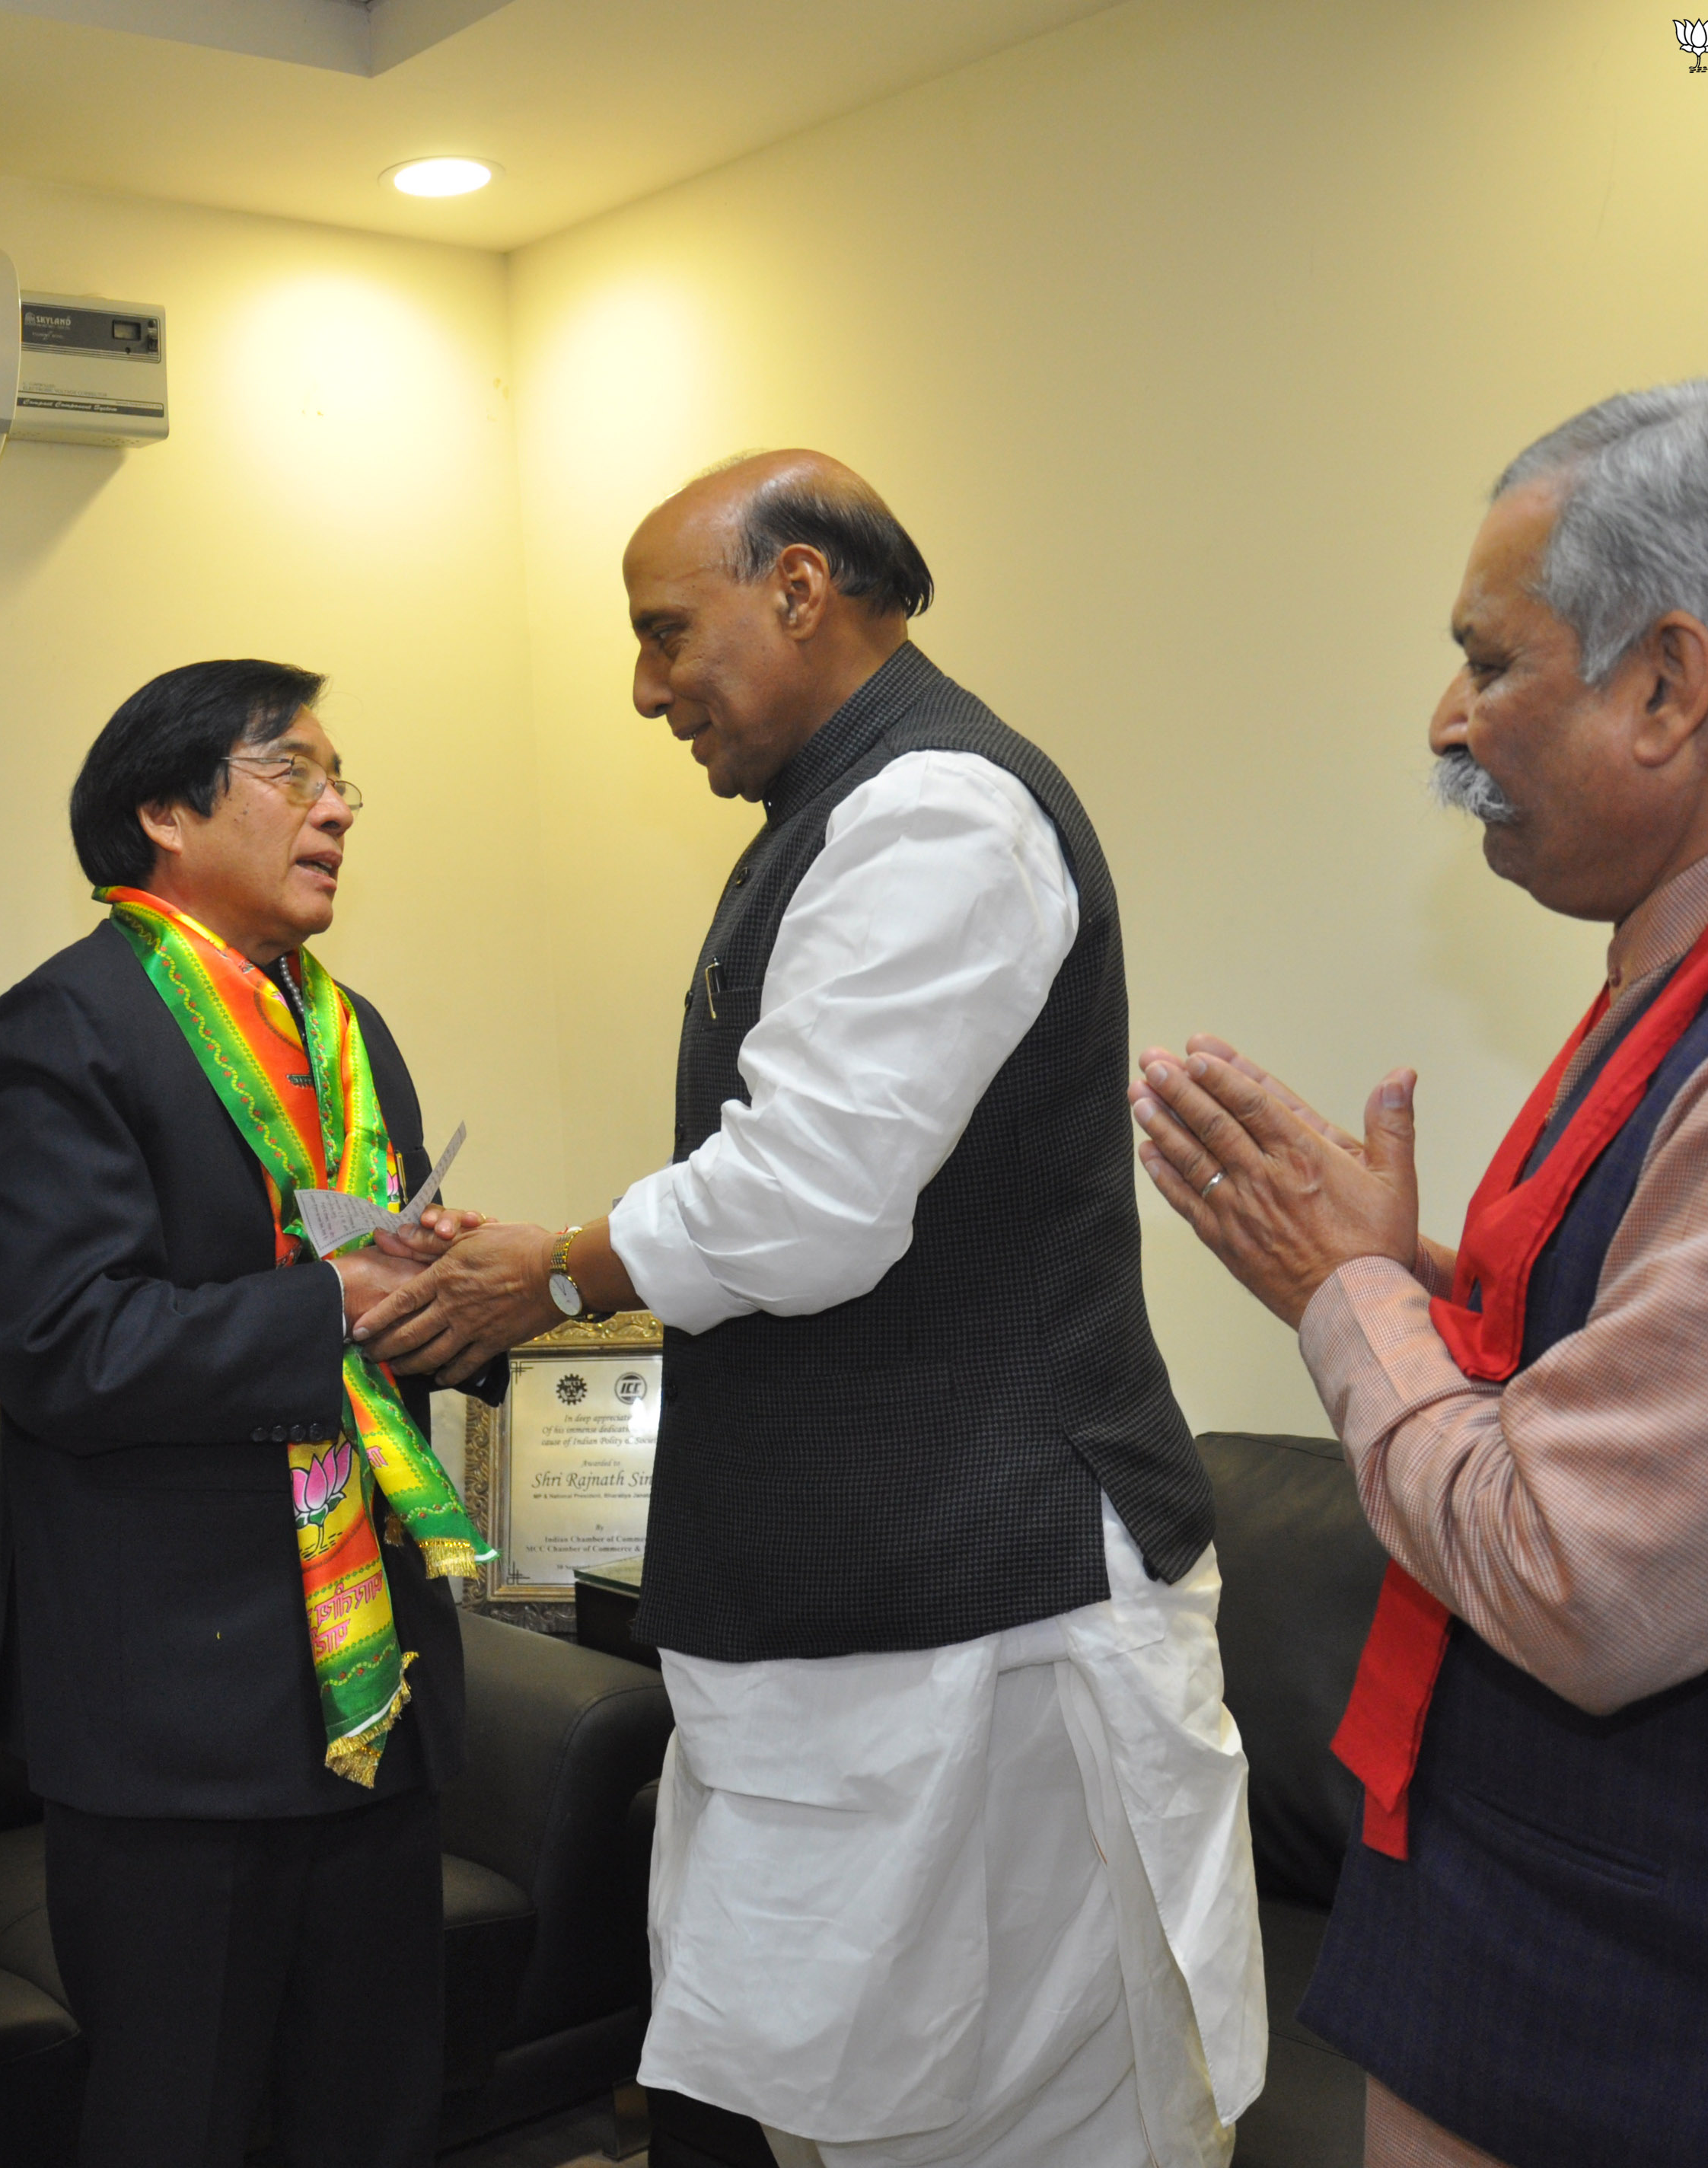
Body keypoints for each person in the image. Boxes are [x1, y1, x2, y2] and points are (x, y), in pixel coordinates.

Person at [1130, 378, 1708, 2167]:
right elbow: (1678, 1373)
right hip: (1545, 1961)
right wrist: (1411, 1277)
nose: (1445, 718)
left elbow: (1577, 1570)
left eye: (1489, 660)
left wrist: (1344, 1298)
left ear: (1666, 685)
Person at [362, 453, 1262, 2168]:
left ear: (797, 589)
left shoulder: (938, 810)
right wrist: (558, 1253)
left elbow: (809, 1197)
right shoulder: (840, 813)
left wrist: (556, 1267)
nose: (643, 690)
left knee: (1030, 2122)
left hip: (986, 1615)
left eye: (662, 632)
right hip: (874, 1623)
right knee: (871, 2110)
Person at [0, 658, 492, 2168]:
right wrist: (338, 1302)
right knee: (179, 2122)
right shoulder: (66, 1027)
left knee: (373, 2111)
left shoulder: (346, 1025)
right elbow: (64, 1345)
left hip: (370, 1693)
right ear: (162, 809)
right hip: (173, 1719)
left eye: (344, 786)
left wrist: (467, 1303)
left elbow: (380, 1281)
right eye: (294, 774)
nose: (335, 810)